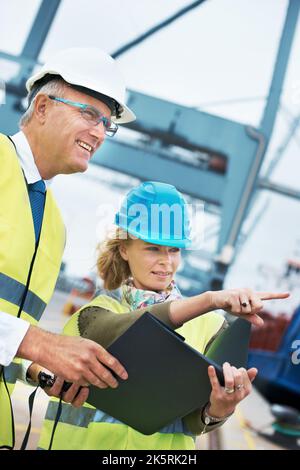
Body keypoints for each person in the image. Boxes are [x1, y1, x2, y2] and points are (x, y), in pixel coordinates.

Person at [32, 181, 289, 450]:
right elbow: (124, 329)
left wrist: (219, 410)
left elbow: (194, 420)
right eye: (153, 248)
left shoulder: (211, 326)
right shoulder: (93, 316)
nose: (167, 261)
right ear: (124, 249)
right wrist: (210, 299)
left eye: (174, 250)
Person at [0, 47, 136, 448]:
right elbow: (22, 334)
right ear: (41, 106)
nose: (98, 133)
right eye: (89, 114)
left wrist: (39, 369)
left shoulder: (55, 225)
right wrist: (41, 343)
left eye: (107, 125)